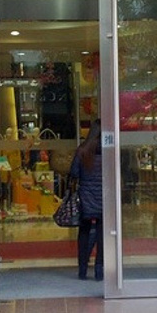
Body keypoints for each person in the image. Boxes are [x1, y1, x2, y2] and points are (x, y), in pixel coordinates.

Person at [69, 119, 103, 281]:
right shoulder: (109, 150)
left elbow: (74, 173)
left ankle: (82, 269)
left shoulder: (82, 150)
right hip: (104, 198)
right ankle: (99, 269)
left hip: (86, 197)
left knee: (84, 232)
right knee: (102, 233)